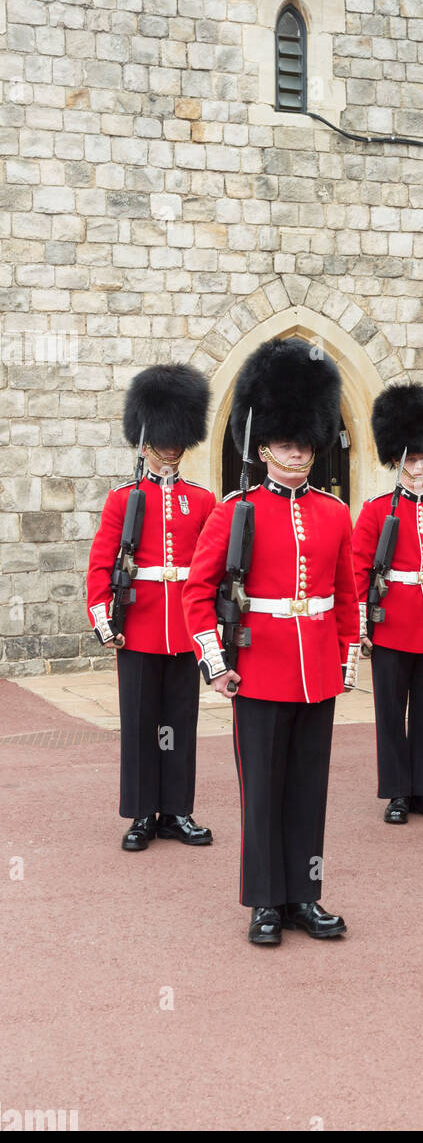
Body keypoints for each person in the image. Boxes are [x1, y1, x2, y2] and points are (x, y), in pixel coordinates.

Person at [182, 338, 360, 946]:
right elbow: (196, 595)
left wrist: (344, 660)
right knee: (262, 791)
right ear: (262, 445)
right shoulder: (234, 512)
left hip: (316, 676)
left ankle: (304, 896)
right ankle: (264, 901)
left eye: (307, 443)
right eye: (288, 443)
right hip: (258, 672)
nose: (300, 453)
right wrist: (214, 663)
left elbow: (344, 596)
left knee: (309, 791)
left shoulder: (335, 513)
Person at [86, 363, 215, 852]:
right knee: (141, 723)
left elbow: (209, 569)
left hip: (183, 628)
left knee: (179, 722)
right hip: (137, 628)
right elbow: (101, 566)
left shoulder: (200, 500)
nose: (170, 448)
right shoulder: (124, 500)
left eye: (177, 438)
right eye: (163, 438)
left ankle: (177, 810)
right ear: (146, 440)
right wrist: (104, 621)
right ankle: (143, 812)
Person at [351, 385, 423, 824]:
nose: (419, 468)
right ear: (398, 462)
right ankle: (397, 792)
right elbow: (359, 570)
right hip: (391, 624)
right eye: (412, 460)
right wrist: (362, 625)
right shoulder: (378, 510)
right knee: (390, 712)